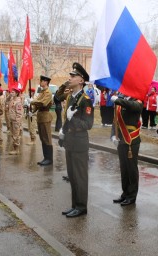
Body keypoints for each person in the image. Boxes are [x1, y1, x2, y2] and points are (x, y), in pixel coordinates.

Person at [57, 62, 94, 218]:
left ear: (81, 80)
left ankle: (81, 207)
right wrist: (63, 130)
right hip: (70, 142)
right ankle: (74, 205)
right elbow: (57, 97)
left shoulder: (85, 100)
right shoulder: (71, 97)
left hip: (79, 142)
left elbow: (88, 124)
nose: (70, 78)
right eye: (70, 75)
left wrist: (73, 121)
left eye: (73, 76)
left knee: (80, 176)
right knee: (72, 176)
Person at [110, 93, 143, 206]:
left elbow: (134, 106)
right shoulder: (121, 101)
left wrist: (118, 100)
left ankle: (132, 196)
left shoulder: (137, 100)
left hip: (131, 139)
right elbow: (115, 120)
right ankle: (125, 193)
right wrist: (113, 135)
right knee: (123, 168)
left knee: (131, 168)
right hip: (121, 139)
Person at [30, 75, 53, 166]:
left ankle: (49, 159)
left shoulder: (48, 93)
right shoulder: (41, 92)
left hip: (45, 116)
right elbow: (37, 104)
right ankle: (45, 157)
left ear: (46, 82)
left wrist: (32, 101)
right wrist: (32, 110)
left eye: (42, 80)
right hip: (40, 116)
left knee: (47, 138)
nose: (40, 82)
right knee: (42, 138)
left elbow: (43, 103)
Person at [8, 87, 23, 155]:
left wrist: (17, 121)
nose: (11, 93)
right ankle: (14, 148)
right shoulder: (11, 100)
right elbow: (6, 101)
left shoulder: (18, 102)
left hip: (15, 121)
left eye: (13, 92)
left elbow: (19, 113)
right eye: (11, 92)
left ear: (16, 93)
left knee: (16, 135)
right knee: (12, 134)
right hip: (11, 120)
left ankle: (16, 149)